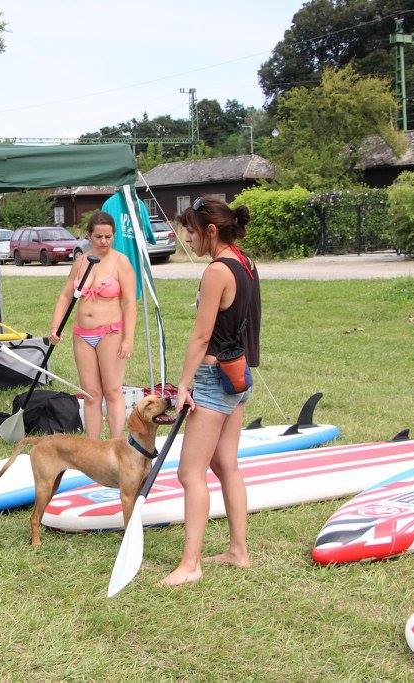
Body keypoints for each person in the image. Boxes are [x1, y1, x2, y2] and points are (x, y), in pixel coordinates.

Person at [161, 195, 260, 587]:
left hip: (211, 380)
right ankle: (239, 551)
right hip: (237, 376)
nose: (189, 238)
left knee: (190, 473)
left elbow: (201, 335)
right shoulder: (246, 263)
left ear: (211, 230)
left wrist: (183, 385)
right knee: (225, 466)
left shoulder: (217, 271)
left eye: (191, 230)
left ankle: (190, 565)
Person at [48, 211, 136, 439]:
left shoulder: (121, 262)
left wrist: (128, 339)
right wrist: (55, 327)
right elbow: (65, 296)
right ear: (89, 236)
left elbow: (129, 303)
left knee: (113, 391)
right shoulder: (81, 262)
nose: (104, 241)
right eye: (98, 236)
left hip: (110, 333)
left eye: (108, 236)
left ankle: (117, 445)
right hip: (82, 334)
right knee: (91, 394)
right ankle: (93, 448)